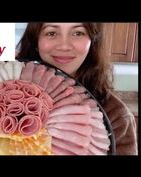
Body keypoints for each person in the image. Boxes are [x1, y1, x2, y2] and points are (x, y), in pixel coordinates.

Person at [16, 22, 138, 155]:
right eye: (51, 33)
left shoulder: (116, 115)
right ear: (35, 40)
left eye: (78, 33)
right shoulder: (4, 86)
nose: (64, 46)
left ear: (92, 41)